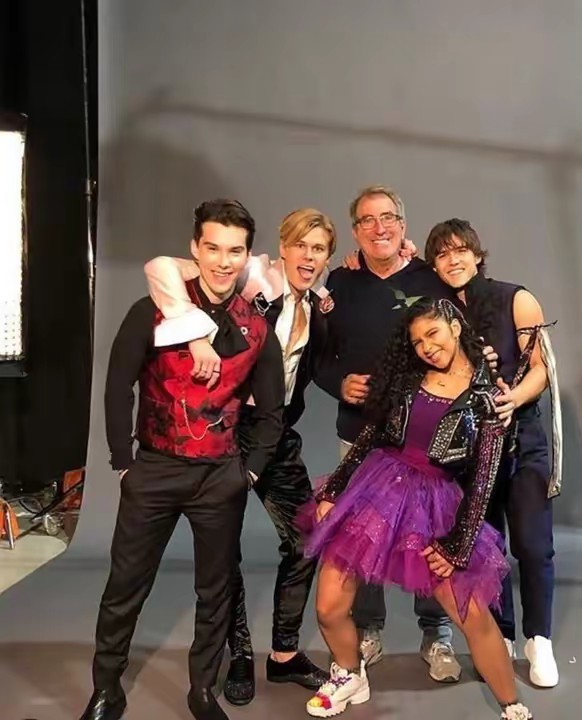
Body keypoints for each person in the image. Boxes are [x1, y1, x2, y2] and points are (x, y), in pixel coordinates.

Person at [79, 199, 285, 720]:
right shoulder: (152, 309)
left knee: (216, 592)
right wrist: (123, 460)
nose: (223, 261)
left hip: (220, 477)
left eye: (234, 251)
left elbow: (271, 411)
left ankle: (203, 691)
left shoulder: (256, 328)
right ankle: (106, 690)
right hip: (154, 469)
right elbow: (117, 385)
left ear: (246, 256)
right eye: (212, 248)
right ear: (195, 249)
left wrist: (249, 471)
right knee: (125, 586)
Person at [300, 297, 533, 720]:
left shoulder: (487, 398)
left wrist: (457, 546)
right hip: (376, 491)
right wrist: (333, 489)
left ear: (455, 327)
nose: (426, 347)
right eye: (417, 341)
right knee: (328, 606)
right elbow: (370, 437)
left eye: (433, 334)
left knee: (473, 616)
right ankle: (349, 673)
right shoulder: (407, 379)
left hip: (434, 506)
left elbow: (483, 480)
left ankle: (511, 704)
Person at [142, 208, 338, 706]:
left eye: (318, 249)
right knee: (223, 552)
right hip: (224, 431)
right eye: (300, 245)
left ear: (327, 257)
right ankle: (241, 653)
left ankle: (285, 655)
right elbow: (161, 268)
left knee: (307, 538)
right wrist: (191, 329)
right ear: (282, 247)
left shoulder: (318, 302)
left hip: (275, 433)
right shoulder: (253, 276)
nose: (308, 256)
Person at [314, 185, 465, 682]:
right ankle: (368, 627)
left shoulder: (431, 279)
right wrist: (338, 382)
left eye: (387, 218)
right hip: (360, 432)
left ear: (403, 224)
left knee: (429, 532)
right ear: (355, 230)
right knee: (363, 536)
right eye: (367, 220)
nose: (379, 228)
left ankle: (436, 633)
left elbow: (459, 344)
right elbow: (317, 355)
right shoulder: (338, 283)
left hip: (424, 437)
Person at [424, 218, 561, 688]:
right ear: (434, 265)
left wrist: (512, 400)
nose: (453, 260)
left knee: (533, 544)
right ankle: (500, 637)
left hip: (521, 440)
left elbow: (542, 368)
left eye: (461, 250)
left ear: (478, 254)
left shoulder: (516, 299)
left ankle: (539, 639)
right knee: (487, 548)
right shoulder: (437, 315)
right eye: (442, 254)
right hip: (468, 449)